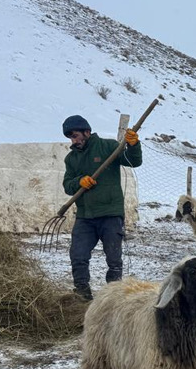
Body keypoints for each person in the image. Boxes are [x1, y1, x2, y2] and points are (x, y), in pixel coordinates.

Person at [61, 115, 143, 300]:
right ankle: (82, 294)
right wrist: (78, 182)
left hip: (110, 214)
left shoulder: (108, 147)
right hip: (85, 216)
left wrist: (133, 145)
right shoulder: (71, 159)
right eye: (71, 138)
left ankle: (113, 297)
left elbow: (133, 161)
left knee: (114, 259)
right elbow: (67, 185)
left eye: (75, 136)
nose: (73, 140)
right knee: (78, 255)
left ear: (87, 132)